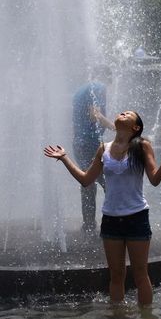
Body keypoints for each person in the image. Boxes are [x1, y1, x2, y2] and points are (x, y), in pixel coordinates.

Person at [44, 111, 161, 306]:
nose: (123, 113)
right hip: (110, 219)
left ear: (136, 127)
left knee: (140, 274)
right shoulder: (104, 149)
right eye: (122, 112)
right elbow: (86, 180)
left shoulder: (142, 146)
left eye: (129, 114)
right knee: (116, 274)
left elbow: (154, 179)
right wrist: (65, 158)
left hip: (137, 217)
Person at [72, 66, 114, 232]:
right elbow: (94, 114)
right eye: (110, 78)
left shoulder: (81, 90)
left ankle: (88, 224)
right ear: (104, 76)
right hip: (90, 143)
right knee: (110, 180)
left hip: (79, 142)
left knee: (88, 181)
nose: (111, 82)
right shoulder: (98, 87)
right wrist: (116, 127)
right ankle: (116, 221)